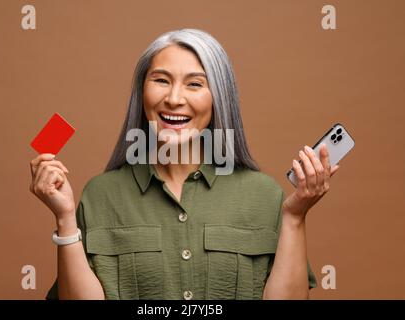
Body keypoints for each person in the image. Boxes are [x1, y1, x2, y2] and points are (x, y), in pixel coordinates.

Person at [29, 29, 339, 300]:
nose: (174, 98)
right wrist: (65, 218)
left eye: (194, 84)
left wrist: (296, 217)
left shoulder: (263, 194)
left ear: (220, 98)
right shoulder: (100, 194)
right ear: (142, 92)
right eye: (161, 80)